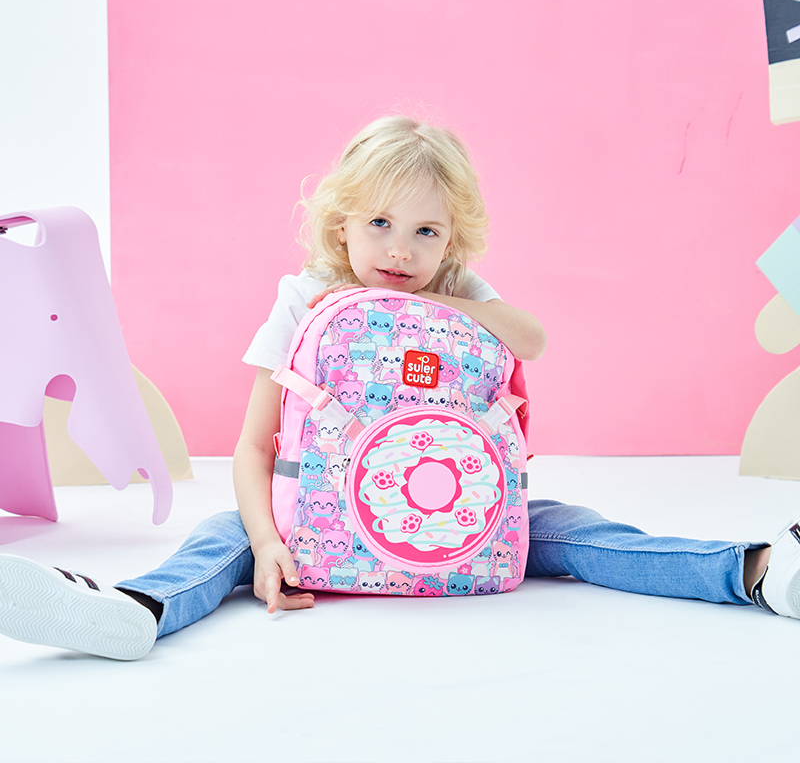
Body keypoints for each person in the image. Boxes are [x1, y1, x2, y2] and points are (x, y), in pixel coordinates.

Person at [0, 116, 797, 662]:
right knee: (226, 539)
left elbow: (532, 339)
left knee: (576, 531)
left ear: (452, 241)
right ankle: (135, 610)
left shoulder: (456, 289)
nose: (401, 250)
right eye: (380, 223)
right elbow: (252, 444)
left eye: (427, 232)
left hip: (463, 517)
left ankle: (758, 571)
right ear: (341, 223)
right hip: (314, 518)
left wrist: (437, 304)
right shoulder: (305, 296)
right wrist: (272, 543)